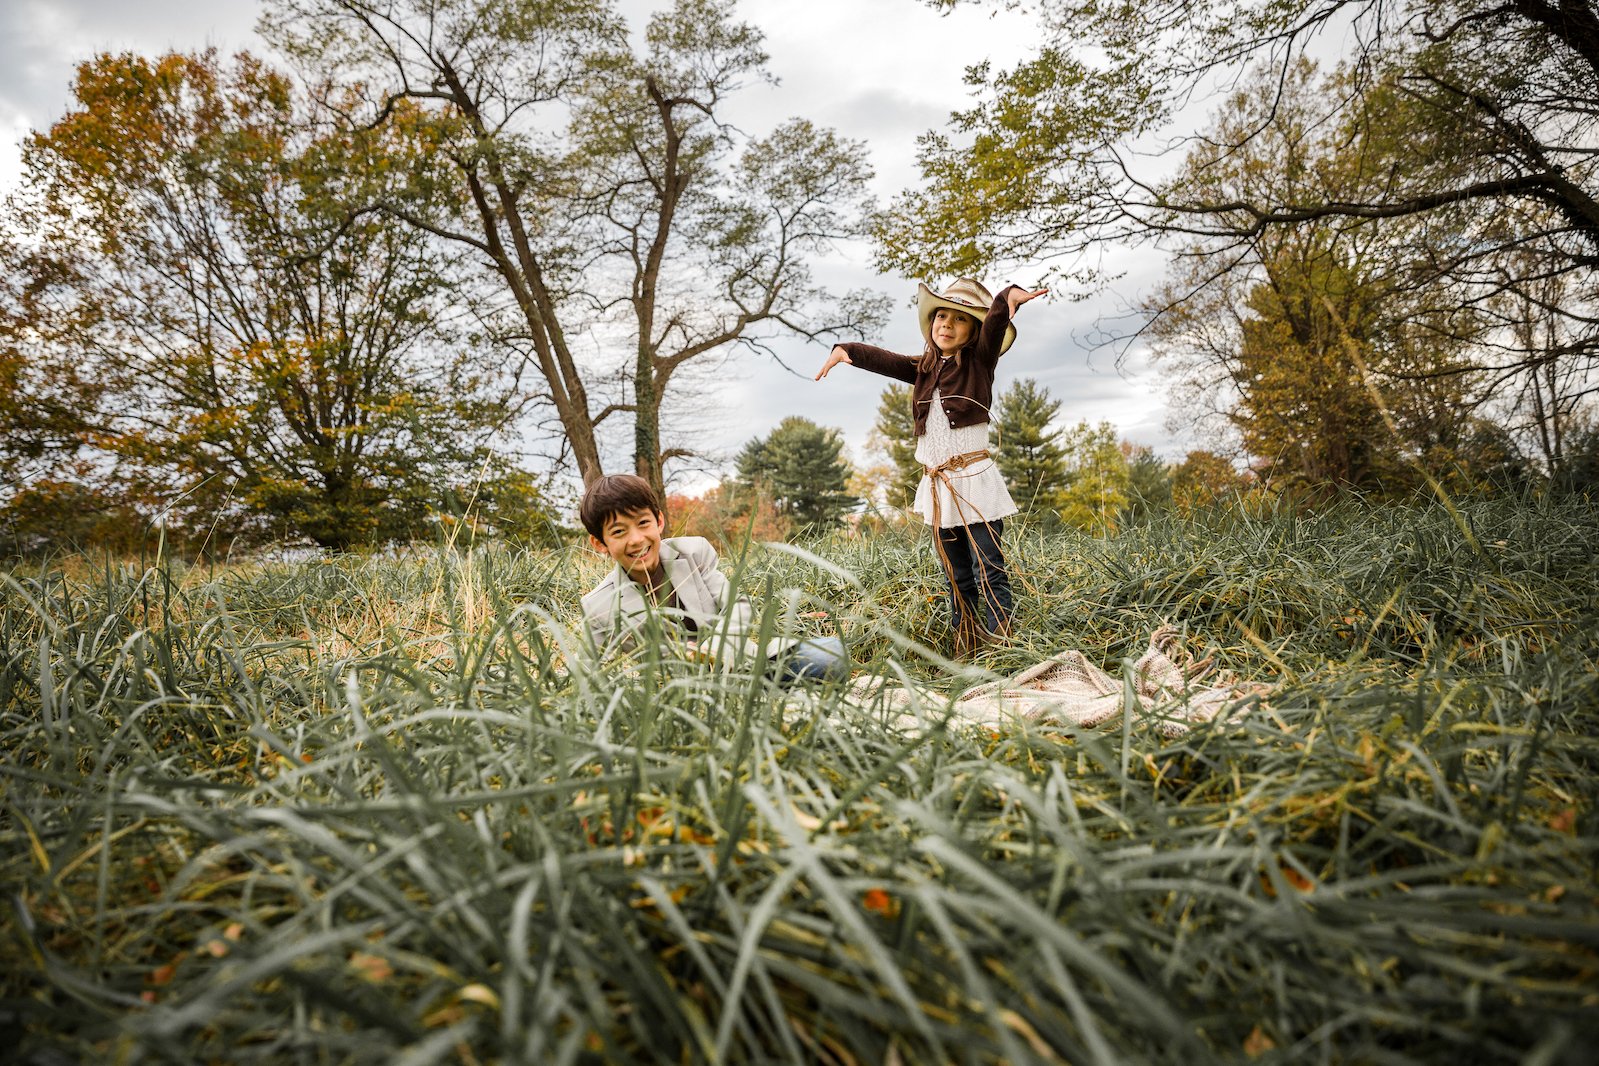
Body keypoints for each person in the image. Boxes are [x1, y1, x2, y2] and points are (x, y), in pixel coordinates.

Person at [815, 278, 1048, 657]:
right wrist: (846, 350)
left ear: (972, 330)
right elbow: (883, 360)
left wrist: (1009, 298)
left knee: (987, 567)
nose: (947, 324)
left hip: (974, 483)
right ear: (931, 323)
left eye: (959, 319)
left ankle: (1002, 648)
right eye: (941, 316)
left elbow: (993, 325)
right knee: (956, 575)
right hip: (939, 488)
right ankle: (967, 645)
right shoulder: (922, 369)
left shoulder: (980, 359)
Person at [577, 473, 849, 683]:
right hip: (676, 695)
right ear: (600, 543)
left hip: (742, 665)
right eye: (619, 532)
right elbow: (591, 677)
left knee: (833, 654)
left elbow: (738, 605)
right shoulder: (597, 605)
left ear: (659, 522)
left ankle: (757, 691)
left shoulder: (694, 552)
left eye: (643, 523)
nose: (636, 540)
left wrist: (715, 648)